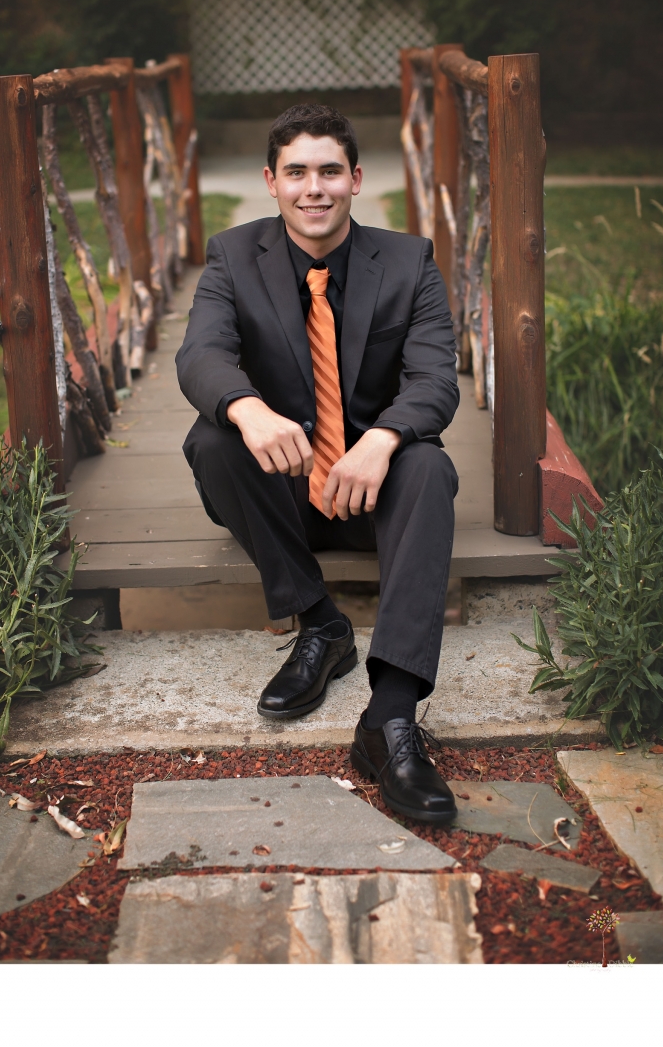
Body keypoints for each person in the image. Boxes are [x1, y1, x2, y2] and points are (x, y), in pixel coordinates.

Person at [176, 104, 460, 824]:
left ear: (356, 179)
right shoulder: (233, 256)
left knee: (428, 467)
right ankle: (320, 622)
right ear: (271, 182)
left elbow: (435, 382)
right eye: (296, 172)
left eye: (330, 170)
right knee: (212, 439)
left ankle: (390, 720)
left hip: (375, 494)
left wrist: (384, 437)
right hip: (285, 491)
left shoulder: (408, 262)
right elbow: (201, 355)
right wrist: (248, 407)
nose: (314, 188)